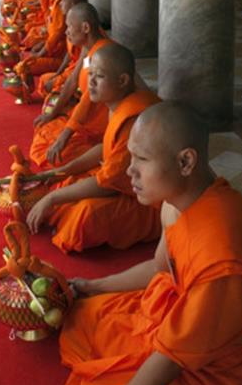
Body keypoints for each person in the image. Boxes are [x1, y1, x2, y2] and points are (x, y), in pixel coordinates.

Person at [59, 101, 242, 385]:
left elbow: (174, 359)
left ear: (185, 162)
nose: (129, 172)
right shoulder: (177, 204)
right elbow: (162, 268)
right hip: (178, 321)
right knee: (82, 313)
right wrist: (92, 286)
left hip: (209, 370)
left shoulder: (222, 256)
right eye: (131, 157)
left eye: (141, 159)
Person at [27, 43, 161, 252]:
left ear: (123, 80)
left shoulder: (134, 121)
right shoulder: (117, 105)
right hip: (124, 182)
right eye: (90, 74)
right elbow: (104, 147)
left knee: (84, 216)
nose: (90, 82)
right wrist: (64, 171)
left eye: (99, 76)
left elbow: (109, 184)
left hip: (151, 202)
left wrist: (51, 198)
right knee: (68, 180)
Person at [29, 3, 112, 168]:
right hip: (84, 118)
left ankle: (96, 155)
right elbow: (73, 80)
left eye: (69, 26)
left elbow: (88, 100)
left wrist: (63, 138)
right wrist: (53, 114)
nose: (66, 31)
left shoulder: (104, 55)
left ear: (86, 27)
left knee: (46, 153)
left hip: (97, 127)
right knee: (43, 129)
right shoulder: (87, 48)